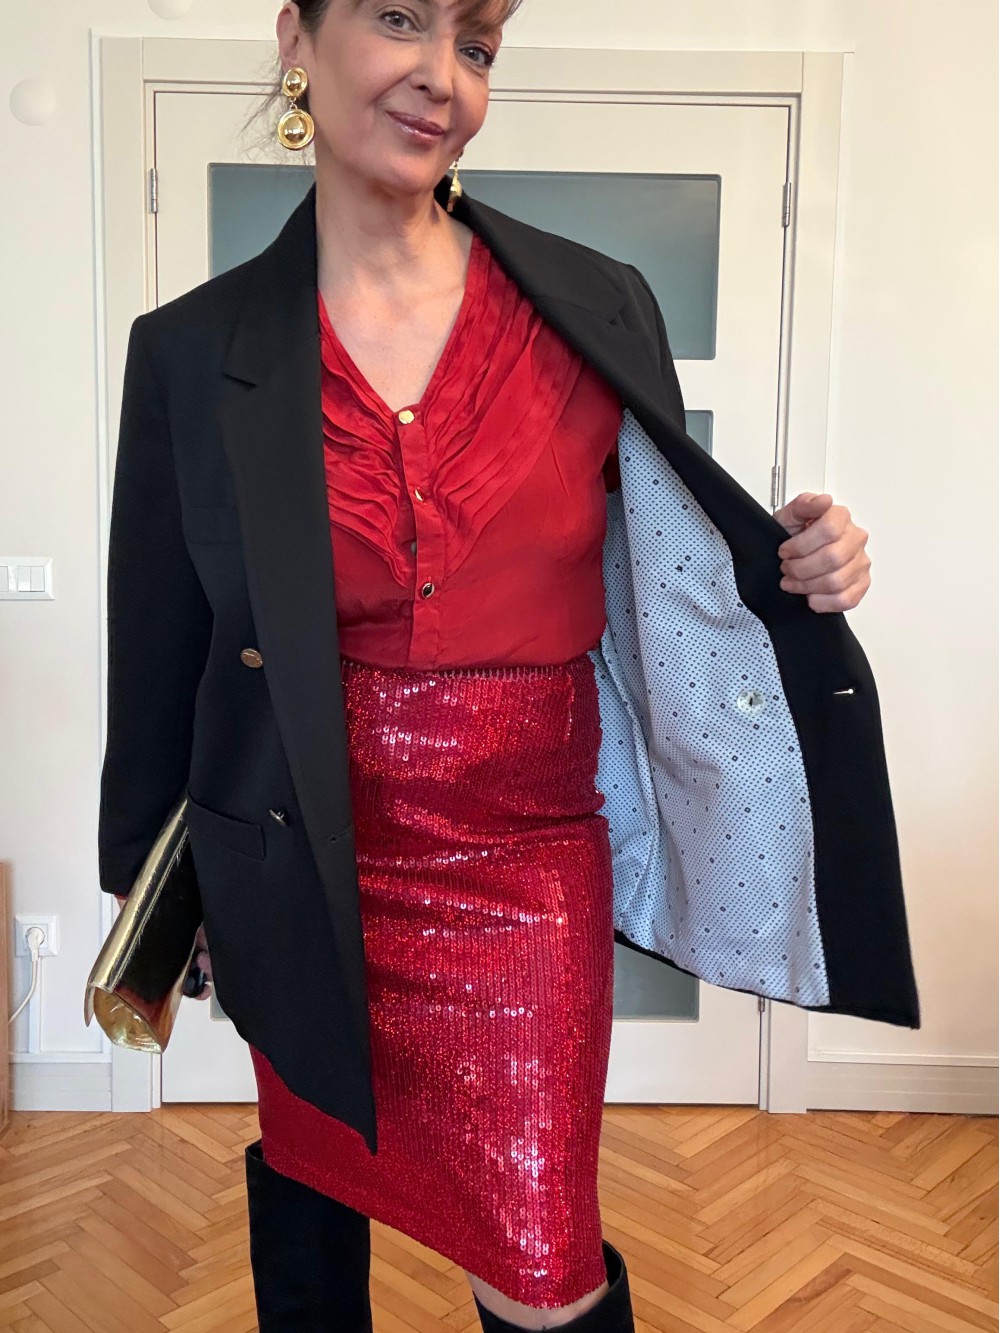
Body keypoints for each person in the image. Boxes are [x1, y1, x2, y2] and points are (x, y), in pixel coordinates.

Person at [100, 0, 904, 1329]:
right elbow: (160, 640)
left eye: (475, 44)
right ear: (297, 40)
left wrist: (803, 567)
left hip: (524, 866)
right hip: (296, 860)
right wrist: (151, 892)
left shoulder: (593, 304)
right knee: (312, 1179)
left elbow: (668, 552)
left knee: (542, 1261)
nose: (441, 75)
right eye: (399, 19)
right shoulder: (190, 350)